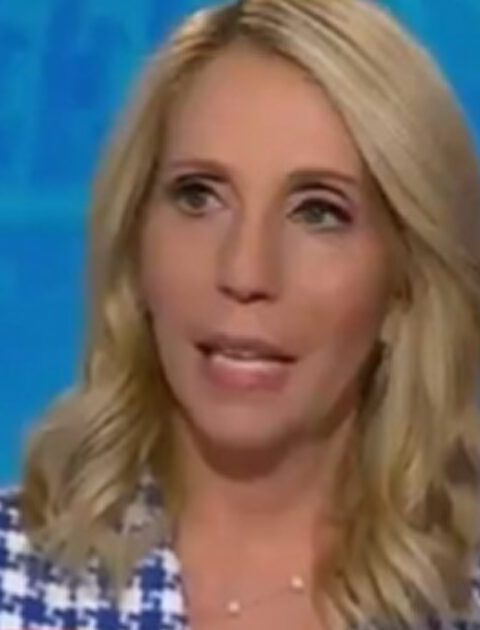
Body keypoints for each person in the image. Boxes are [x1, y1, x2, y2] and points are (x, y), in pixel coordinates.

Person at [1, 0, 480, 628]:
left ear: (405, 285)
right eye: (199, 196)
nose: (245, 272)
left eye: (319, 212)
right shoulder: (15, 575)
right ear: (137, 243)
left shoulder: (458, 600)